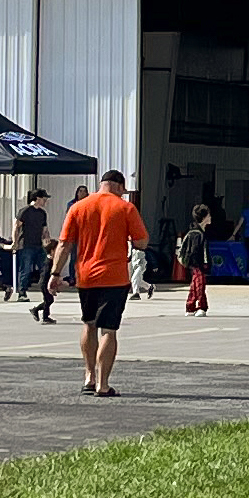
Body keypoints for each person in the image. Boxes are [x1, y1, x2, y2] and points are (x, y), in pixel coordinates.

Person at [54, 169, 148, 397]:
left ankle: (89, 377)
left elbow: (64, 244)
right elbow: (142, 242)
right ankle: (103, 385)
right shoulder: (125, 208)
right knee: (109, 330)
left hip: (86, 276)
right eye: (123, 190)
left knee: (89, 324)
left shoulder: (78, 207)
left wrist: (55, 273)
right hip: (114, 277)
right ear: (118, 186)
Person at [21, 189, 58, 321]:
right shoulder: (25, 211)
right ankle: (22, 292)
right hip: (27, 244)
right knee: (26, 268)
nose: (45, 201)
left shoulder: (42, 213)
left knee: (44, 267)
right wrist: (15, 241)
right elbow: (17, 225)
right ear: (37, 198)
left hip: (38, 244)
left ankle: (44, 314)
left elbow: (45, 229)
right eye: (44, 199)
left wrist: (47, 241)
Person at [178, 204, 214, 314]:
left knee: (195, 285)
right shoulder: (198, 235)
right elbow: (197, 252)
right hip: (198, 264)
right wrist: (204, 264)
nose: (210, 217)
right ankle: (202, 307)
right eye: (208, 215)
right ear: (204, 218)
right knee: (200, 285)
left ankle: (190, 306)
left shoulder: (195, 232)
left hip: (194, 265)